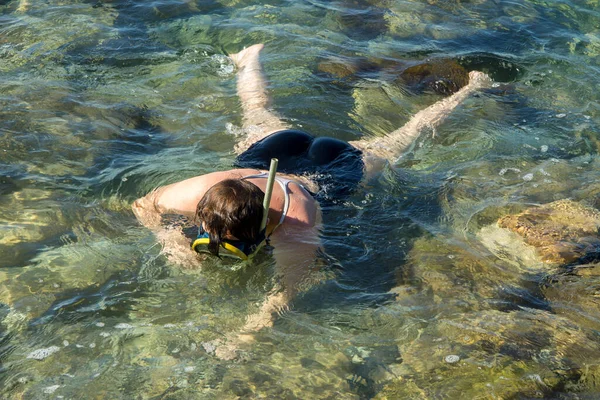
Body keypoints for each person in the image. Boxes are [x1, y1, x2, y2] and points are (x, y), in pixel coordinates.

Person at [132, 44, 491, 353]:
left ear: (265, 226)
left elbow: (287, 293)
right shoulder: (200, 191)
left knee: (405, 137)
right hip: (270, 154)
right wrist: (167, 239)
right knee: (256, 110)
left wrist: (245, 336)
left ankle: (471, 90)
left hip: (332, 167)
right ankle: (249, 57)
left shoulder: (297, 225)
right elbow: (144, 205)